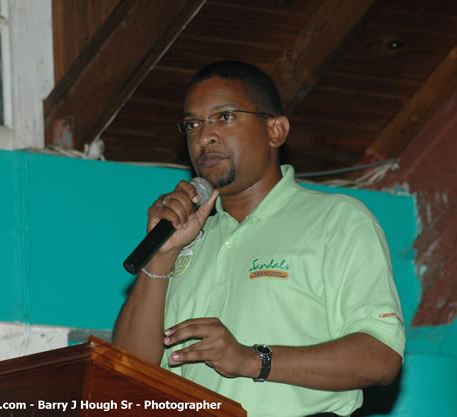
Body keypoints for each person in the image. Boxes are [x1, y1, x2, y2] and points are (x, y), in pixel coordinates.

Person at [113, 61, 405, 417]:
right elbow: (126, 376)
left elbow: (380, 357)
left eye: (224, 117)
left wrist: (251, 359)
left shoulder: (337, 220)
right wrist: (160, 257)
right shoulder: (186, 240)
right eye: (193, 124)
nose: (205, 137)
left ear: (276, 131)